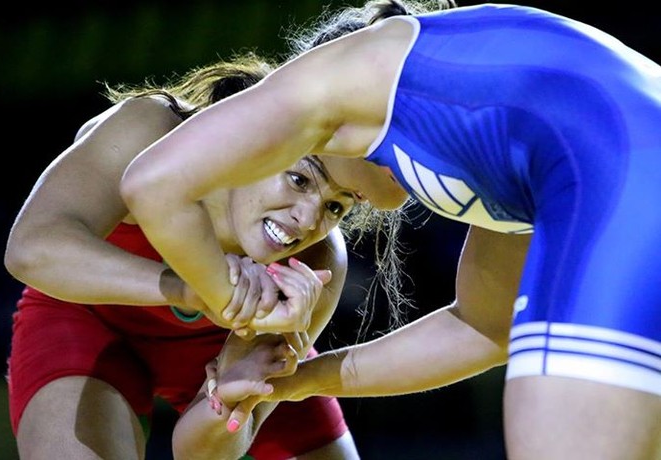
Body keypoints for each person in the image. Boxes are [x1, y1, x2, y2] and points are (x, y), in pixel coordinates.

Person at [118, 0, 661, 459]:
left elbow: (152, 183)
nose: (310, 217)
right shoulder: (496, 143)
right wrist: (303, 380)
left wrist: (234, 298)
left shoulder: (337, 76)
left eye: (331, 196)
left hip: (625, 167)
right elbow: (481, 328)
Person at [2, 52, 386, 459]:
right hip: (87, 317)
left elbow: (201, 454)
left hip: (217, 345)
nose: (307, 220)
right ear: (259, 143)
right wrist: (187, 287)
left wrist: (228, 397)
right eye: (299, 179)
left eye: (335, 207)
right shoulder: (153, 132)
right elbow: (30, 248)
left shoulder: (316, 265)